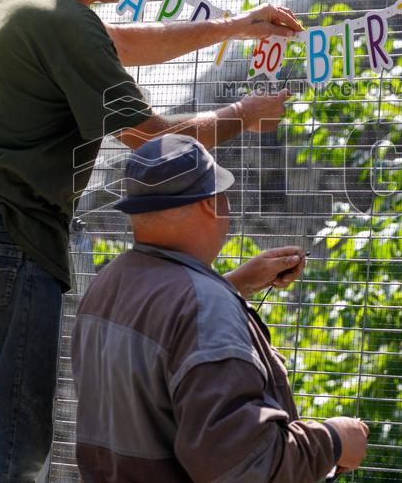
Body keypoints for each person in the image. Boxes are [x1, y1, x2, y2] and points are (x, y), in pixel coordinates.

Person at [0, 0, 306, 482]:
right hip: (9, 249)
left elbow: (113, 42)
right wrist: (242, 115)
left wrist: (233, 28)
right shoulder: (63, 23)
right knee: (6, 456)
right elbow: (150, 138)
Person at [73, 134, 370, 481]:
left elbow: (160, 353)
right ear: (211, 204)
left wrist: (230, 285)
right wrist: (333, 441)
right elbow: (245, 467)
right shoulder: (203, 307)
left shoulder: (107, 284)